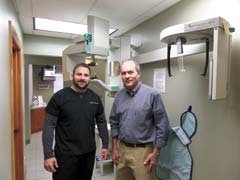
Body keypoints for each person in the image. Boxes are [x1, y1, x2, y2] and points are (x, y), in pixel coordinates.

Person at [42, 63, 109, 180]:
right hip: (65, 155)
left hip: (88, 154)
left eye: (86, 75)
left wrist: (105, 144)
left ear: (89, 78)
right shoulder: (59, 97)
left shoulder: (95, 98)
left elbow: (102, 121)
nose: (82, 78)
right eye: (79, 74)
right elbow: (49, 125)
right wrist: (48, 154)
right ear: (73, 75)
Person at [110, 59, 170, 180]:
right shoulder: (119, 96)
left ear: (138, 73)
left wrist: (155, 153)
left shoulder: (152, 95)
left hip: (143, 152)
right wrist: (115, 148)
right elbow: (114, 122)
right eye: (123, 73)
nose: (127, 76)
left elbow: (162, 125)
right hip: (122, 150)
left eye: (130, 72)